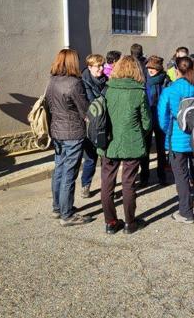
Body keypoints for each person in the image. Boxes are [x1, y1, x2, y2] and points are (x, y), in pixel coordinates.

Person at [99, 56, 151, 234]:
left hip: (108, 141)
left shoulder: (107, 90)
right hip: (132, 141)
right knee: (128, 183)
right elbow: (146, 122)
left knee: (107, 182)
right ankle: (130, 223)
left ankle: (110, 222)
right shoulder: (139, 92)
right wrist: (139, 133)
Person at [158, 56, 194, 223]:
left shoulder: (171, 90)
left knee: (181, 176)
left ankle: (186, 212)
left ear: (176, 69)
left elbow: (163, 115)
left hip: (177, 137)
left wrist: (167, 131)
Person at [45, 49, 91, 226]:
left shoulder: (52, 80)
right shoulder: (74, 83)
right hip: (72, 132)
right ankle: (67, 214)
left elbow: (48, 105)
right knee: (69, 173)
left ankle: (58, 207)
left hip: (57, 131)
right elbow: (84, 108)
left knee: (59, 169)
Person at [80, 54, 108, 198]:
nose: (101, 68)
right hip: (90, 125)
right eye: (98, 66)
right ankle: (86, 185)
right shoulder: (83, 82)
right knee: (90, 158)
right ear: (90, 67)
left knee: (106, 159)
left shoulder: (106, 80)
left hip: (104, 123)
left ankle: (107, 188)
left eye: (102, 65)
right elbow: (90, 102)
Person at [140, 55, 168, 186]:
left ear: (159, 68)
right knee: (144, 148)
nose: (151, 70)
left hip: (161, 118)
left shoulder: (166, 80)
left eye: (154, 68)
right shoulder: (143, 78)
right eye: (149, 67)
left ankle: (162, 176)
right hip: (147, 117)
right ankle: (144, 177)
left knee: (161, 150)